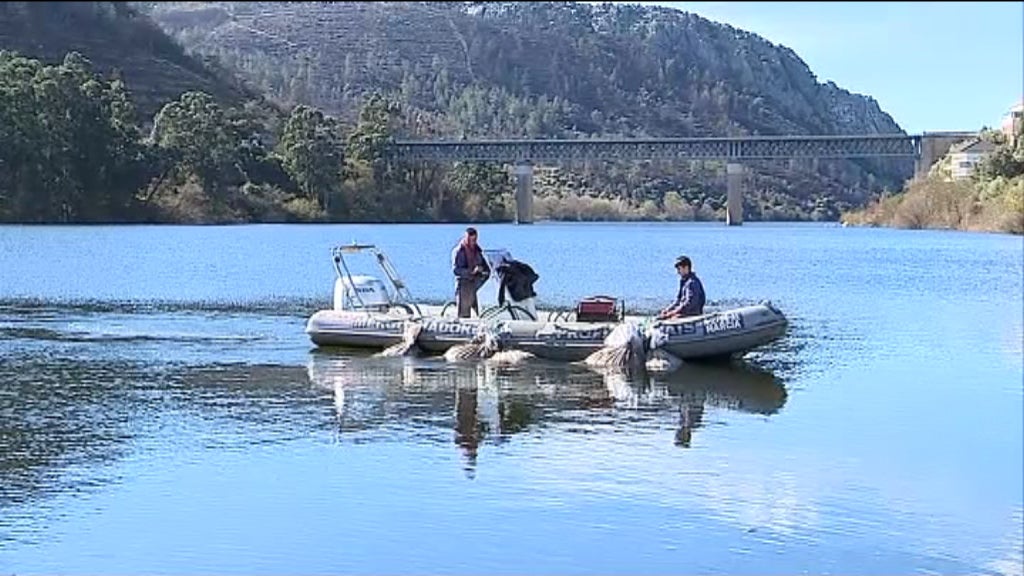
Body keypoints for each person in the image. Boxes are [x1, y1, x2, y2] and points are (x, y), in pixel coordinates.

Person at [451, 227, 490, 318]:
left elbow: (486, 266)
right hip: (463, 285)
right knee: (464, 315)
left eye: (474, 240)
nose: (472, 242)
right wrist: (471, 272)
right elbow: (456, 270)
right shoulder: (458, 251)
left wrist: (482, 270)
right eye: (470, 239)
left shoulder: (478, 251)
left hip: (477, 284)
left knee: (482, 313)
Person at [657, 255, 706, 320]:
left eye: (679, 269)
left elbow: (689, 304)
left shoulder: (692, 283)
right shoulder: (683, 282)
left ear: (686, 268)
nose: (678, 272)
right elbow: (678, 300)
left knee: (673, 319)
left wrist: (673, 313)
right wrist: (667, 310)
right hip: (682, 313)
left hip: (692, 316)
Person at [495, 255, 540, 319]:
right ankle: (532, 320)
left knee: (524, 309)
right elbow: (533, 277)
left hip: (518, 296)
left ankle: (527, 320)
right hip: (527, 294)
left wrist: (500, 301)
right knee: (530, 311)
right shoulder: (519, 266)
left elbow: (501, 288)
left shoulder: (506, 272)